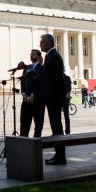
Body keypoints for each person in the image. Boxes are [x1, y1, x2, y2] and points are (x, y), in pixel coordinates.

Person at [39, 34, 67, 165]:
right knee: (55, 126)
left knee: (57, 127)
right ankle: (59, 155)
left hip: (54, 97)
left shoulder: (54, 56)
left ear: (50, 43)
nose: (40, 44)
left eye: (43, 42)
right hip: (51, 97)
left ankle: (60, 156)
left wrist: (59, 96)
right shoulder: (48, 56)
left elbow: (58, 79)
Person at [19, 49, 44, 137]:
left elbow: (41, 83)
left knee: (38, 122)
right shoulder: (27, 68)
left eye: (33, 54)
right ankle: (24, 140)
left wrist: (33, 94)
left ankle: (36, 142)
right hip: (26, 99)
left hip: (37, 100)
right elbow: (22, 81)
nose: (31, 56)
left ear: (38, 56)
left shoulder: (41, 68)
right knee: (24, 121)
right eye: (30, 54)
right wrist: (24, 94)